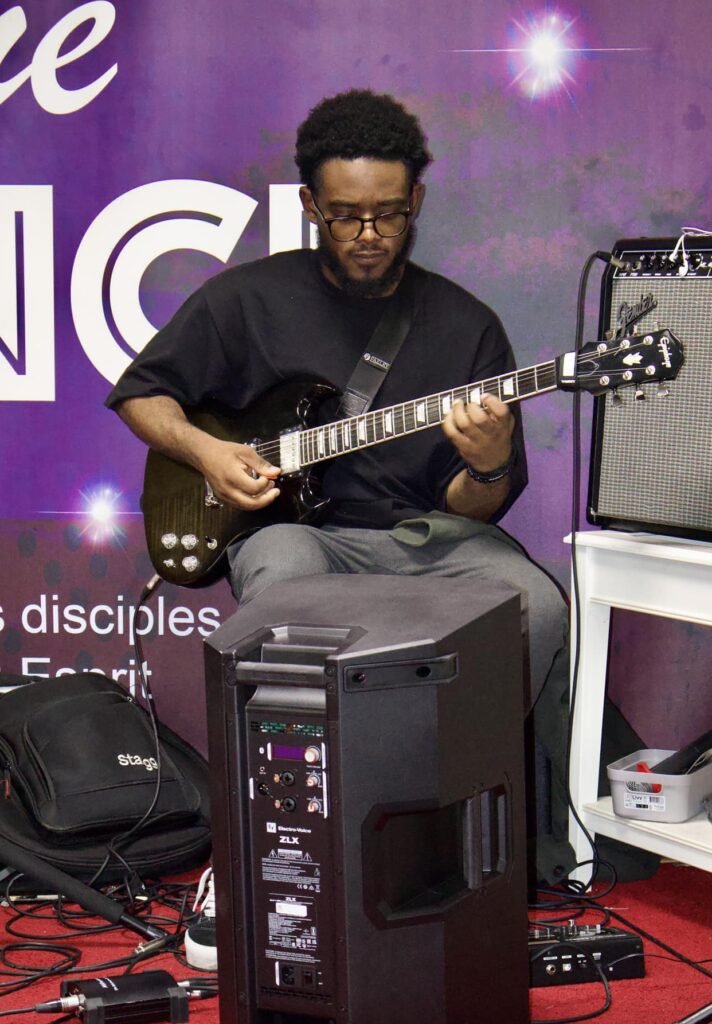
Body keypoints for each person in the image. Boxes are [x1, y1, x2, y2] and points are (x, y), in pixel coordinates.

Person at [106, 89, 574, 970]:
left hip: (425, 539)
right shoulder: (246, 301)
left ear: (416, 204)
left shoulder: (466, 325)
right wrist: (206, 453)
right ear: (312, 206)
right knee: (281, 589)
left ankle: (432, 824)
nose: (368, 232)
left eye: (388, 214)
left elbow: (479, 509)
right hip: (298, 532)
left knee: (533, 607)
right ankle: (262, 844)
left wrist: (487, 463)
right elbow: (142, 395)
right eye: (347, 214)